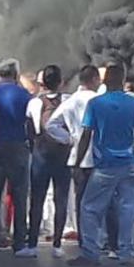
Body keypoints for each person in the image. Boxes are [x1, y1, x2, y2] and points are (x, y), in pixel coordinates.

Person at [70, 63, 134, 267]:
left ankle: (91, 252)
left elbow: (86, 136)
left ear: (105, 81)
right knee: (128, 209)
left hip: (105, 165)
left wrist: (78, 164)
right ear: (123, 81)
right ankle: (126, 252)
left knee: (89, 208)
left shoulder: (96, 104)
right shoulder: (133, 104)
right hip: (129, 164)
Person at [46, 65, 101, 243]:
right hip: (100, 157)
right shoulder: (99, 100)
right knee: (103, 201)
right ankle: (102, 239)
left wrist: (70, 139)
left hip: (77, 158)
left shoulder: (70, 102)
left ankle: (85, 240)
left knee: (81, 202)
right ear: (94, 79)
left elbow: (51, 125)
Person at [0, 59, 33, 258]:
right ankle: (20, 242)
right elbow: (30, 122)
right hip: (18, 146)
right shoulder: (25, 95)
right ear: (15, 74)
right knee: (20, 195)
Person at [27, 64, 73, 258]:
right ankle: (57, 244)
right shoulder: (68, 100)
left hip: (40, 155)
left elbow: (30, 130)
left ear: (42, 83)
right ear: (60, 82)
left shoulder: (34, 103)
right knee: (61, 199)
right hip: (62, 156)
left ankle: (32, 244)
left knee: (37, 199)